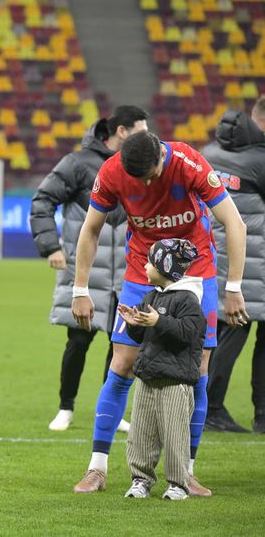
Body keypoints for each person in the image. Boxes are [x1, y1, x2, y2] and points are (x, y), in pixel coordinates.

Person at [71, 130, 248, 496]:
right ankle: (97, 468)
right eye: (141, 179)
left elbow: (235, 223)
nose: (148, 183)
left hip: (195, 272)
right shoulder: (112, 172)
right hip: (142, 271)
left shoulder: (189, 162)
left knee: (198, 366)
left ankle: (186, 471)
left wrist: (233, 287)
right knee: (122, 363)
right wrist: (80, 289)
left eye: (152, 174)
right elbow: (90, 230)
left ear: (162, 158)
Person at [30, 106, 149, 431]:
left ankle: (110, 410)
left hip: (129, 274)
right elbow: (42, 200)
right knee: (78, 342)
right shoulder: (77, 163)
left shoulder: (141, 164)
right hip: (87, 272)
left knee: (121, 344)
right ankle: (65, 407)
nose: (147, 137)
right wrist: (52, 247)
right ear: (121, 132)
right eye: (141, 130)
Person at [120, 239, 205, 500]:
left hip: (174, 382)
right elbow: (142, 337)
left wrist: (159, 320)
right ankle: (140, 480)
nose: (145, 266)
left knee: (175, 435)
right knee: (140, 434)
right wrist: (135, 324)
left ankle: (178, 484)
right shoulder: (152, 296)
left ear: (165, 267)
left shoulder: (189, 299)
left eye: (150, 262)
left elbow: (189, 333)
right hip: (147, 378)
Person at [202, 103, 265, 433]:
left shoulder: (209, 152)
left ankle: (210, 406)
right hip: (255, 261)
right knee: (250, 335)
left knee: (227, 332)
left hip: (217, 256)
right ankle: (257, 415)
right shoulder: (260, 160)